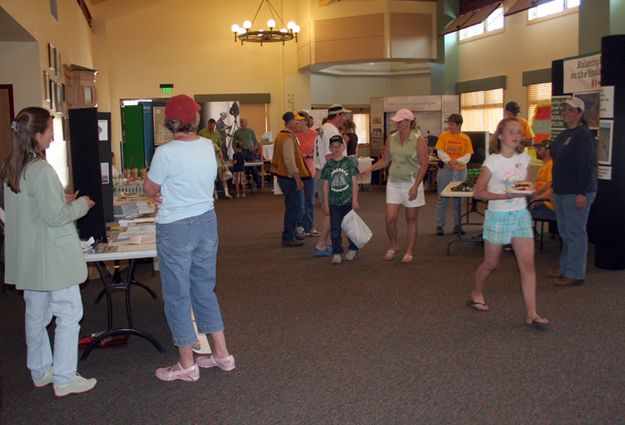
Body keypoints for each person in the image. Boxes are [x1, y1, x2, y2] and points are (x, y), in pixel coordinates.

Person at [1, 107, 97, 396]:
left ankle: (41, 370)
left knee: (36, 315)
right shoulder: (41, 169)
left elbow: (30, 208)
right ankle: (65, 378)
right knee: (69, 313)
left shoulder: (13, 166)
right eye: (50, 133)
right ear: (38, 134)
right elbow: (55, 217)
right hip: (51, 257)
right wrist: (82, 205)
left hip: (30, 257)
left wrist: (58, 198)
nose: (53, 139)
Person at [144, 95, 234, 382]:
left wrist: (159, 191)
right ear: (194, 120)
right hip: (206, 221)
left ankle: (187, 364)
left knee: (178, 295)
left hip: (176, 226)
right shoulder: (208, 146)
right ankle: (222, 354)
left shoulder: (165, 153)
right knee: (204, 289)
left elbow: (150, 188)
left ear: (169, 122)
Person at [467, 117, 548, 330]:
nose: (515, 136)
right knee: (491, 264)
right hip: (498, 216)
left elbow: (526, 184)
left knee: (528, 265)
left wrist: (530, 189)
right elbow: (479, 193)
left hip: (520, 214)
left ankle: (532, 313)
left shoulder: (524, 157)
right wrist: (505, 195)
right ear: (501, 135)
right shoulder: (492, 162)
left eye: (518, 132)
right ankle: (476, 291)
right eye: (511, 131)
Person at [361, 108, 428, 264]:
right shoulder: (391, 138)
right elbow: (385, 160)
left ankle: (410, 250)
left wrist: (415, 186)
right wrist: (368, 169)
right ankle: (394, 245)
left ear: (409, 121)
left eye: (400, 121)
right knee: (390, 219)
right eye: (396, 121)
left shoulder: (418, 139)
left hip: (412, 182)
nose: (397, 123)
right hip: (394, 183)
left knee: (411, 218)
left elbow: (424, 164)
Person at [550, 96, 597, 286]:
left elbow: (586, 166)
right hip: (562, 191)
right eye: (565, 110)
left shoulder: (583, 134)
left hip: (577, 191)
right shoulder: (564, 134)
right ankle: (565, 268)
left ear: (580, 113)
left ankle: (575, 273)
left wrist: (581, 193)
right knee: (565, 232)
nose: (567, 113)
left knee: (575, 232)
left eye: (571, 110)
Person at [313, 104, 350, 257]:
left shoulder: (323, 128)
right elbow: (330, 156)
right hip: (329, 174)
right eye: (344, 115)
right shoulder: (331, 131)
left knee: (331, 210)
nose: (345, 119)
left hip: (322, 172)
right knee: (332, 211)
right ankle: (321, 244)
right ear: (338, 115)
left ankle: (327, 242)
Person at [270, 112, 310, 247]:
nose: (300, 124)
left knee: (293, 207)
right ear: (290, 122)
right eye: (297, 121)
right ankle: (288, 237)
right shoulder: (287, 137)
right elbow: (289, 161)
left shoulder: (282, 135)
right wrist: (298, 178)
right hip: (289, 178)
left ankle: (291, 234)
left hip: (284, 177)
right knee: (293, 208)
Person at [321, 135, 360, 265]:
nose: (336, 149)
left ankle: (353, 248)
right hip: (334, 202)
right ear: (330, 148)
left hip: (348, 201)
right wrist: (326, 204)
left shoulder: (349, 163)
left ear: (343, 147)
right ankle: (337, 252)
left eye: (339, 146)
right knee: (335, 228)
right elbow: (325, 186)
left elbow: (354, 182)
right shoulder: (328, 165)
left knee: (350, 227)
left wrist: (355, 200)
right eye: (334, 146)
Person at [434, 113, 474, 236]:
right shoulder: (444, 136)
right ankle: (439, 225)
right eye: (449, 123)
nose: (449, 126)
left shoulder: (465, 138)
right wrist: (449, 161)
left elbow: (468, 155)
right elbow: (440, 151)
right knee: (442, 198)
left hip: (461, 170)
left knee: (459, 199)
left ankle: (458, 226)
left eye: (451, 124)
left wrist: (457, 161)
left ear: (459, 125)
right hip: (446, 170)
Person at [295, 110, 320, 238]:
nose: (297, 123)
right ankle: (299, 226)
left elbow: (318, 152)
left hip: (311, 170)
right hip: (298, 171)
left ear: (305, 121)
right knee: (299, 201)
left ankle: (309, 227)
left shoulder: (314, 134)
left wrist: (308, 155)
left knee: (310, 201)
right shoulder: (294, 135)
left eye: (299, 120)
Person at [199, 118, 232, 199]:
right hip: (206, 160)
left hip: (217, 159)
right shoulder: (201, 133)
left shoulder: (216, 134)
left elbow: (220, 147)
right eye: (211, 126)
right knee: (212, 179)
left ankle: (226, 193)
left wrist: (222, 161)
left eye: (213, 127)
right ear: (208, 124)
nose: (212, 128)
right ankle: (215, 194)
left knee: (223, 176)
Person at [529, 140, 556, 222]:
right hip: (540, 199)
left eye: (540, 149)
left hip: (547, 203)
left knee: (519, 209)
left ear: (548, 151)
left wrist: (536, 194)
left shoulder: (551, 164)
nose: (537, 151)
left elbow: (550, 184)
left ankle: (530, 233)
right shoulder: (544, 166)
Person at [232, 117, 261, 188]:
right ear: (240, 123)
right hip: (241, 152)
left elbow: (256, 142)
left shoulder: (250, 131)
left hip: (250, 152)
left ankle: (258, 184)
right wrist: (236, 150)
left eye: (244, 122)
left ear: (247, 124)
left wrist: (254, 148)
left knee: (254, 168)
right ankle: (239, 185)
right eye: (241, 122)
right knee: (239, 168)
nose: (243, 124)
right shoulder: (237, 132)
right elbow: (233, 143)